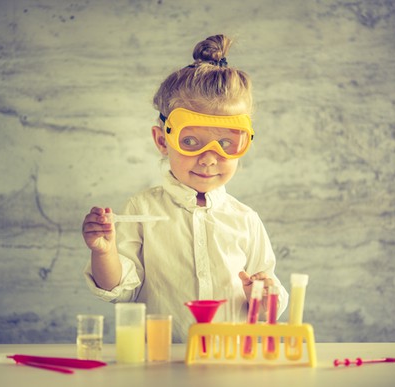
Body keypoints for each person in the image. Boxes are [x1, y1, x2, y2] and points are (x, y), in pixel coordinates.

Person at [82, 34, 289, 342]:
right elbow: (119, 289)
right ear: (163, 140)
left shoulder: (246, 219)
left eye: (227, 144)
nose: (208, 159)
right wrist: (104, 251)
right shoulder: (141, 209)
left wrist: (263, 293)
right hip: (159, 364)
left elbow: (269, 305)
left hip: (229, 365)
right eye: (191, 141)